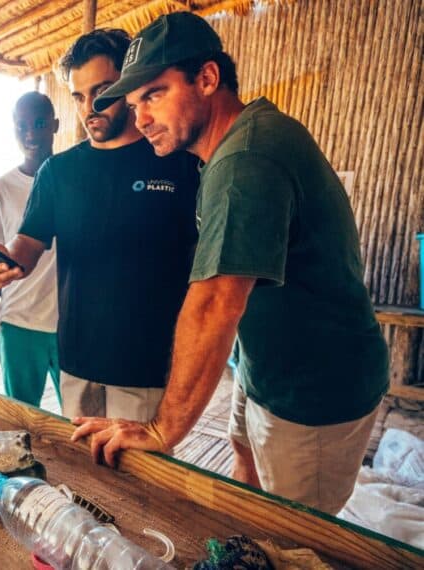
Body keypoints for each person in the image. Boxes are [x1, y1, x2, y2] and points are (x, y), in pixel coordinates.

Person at [73, 12, 388, 515]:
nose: (141, 118)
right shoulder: (240, 141)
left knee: (294, 540)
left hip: (314, 394)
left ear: (207, 78)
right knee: (247, 486)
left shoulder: (246, 160)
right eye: (134, 105)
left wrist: (161, 429)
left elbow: (217, 302)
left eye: (153, 94)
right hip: (266, 366)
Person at [0, 29, 199, 421]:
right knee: (85, 475)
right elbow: (28, 243)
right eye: (78, 96)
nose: (90, 106)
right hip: (76, 363)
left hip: (146, 368)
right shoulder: (59, 171)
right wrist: (3, 264)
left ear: (129, 85)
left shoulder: (176, 162)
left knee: (139, 481)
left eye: (103, 90)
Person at [0, 92, 62, 408]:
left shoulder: (73, 180)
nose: (30, 134)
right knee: (20, 419)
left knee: (81, 421)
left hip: (70, 326)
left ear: (55, 125)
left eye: (39, 124)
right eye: (21, 126)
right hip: (19, 326)